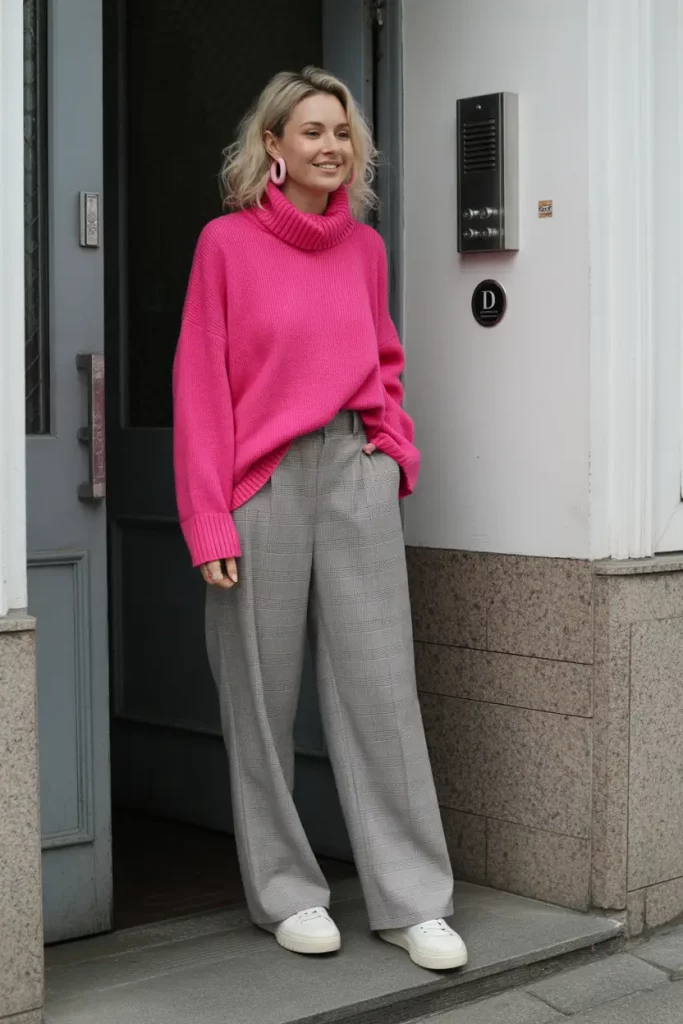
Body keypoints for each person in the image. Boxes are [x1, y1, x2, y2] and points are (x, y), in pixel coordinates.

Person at [172, 66, 467, 972]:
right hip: (257, 481)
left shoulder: (364, 250)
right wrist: (209, 518)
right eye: (310, 131)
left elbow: (384, 358)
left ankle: (413, 901)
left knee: (382, 693)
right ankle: (287, 894)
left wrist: (392, 452)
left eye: (341, 131)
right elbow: (198, 385)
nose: (331, 146)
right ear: (272, 145)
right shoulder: (224, 244)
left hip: (351, 471)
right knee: (258, 701)